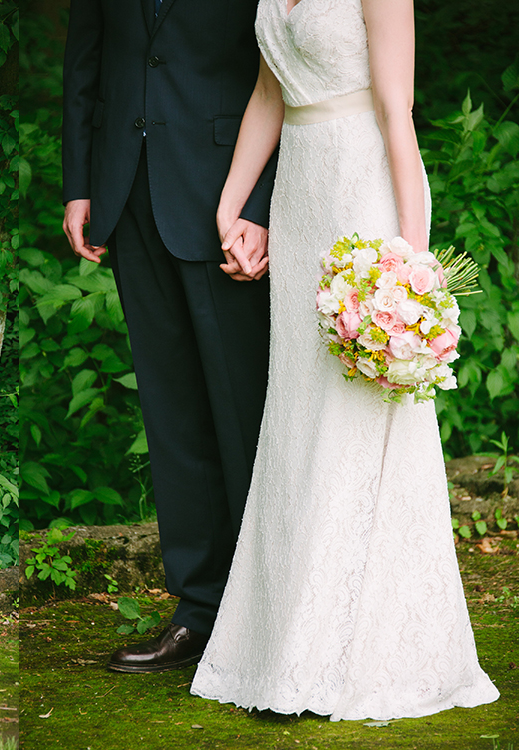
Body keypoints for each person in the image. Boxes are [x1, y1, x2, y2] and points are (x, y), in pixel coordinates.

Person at [190, 0, 499, 719]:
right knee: (298, 412)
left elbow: (399, 114)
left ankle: (340, 649)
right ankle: (284, 644)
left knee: (354, 411)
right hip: (300, 197)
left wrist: (408, 265)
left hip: (363, 193)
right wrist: (231, 208)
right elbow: (268, 94)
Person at [62, 0, 277, 671]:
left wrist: (262, 205)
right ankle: (198, 610)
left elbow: (285, 69)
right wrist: (80, 183)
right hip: (127, 195)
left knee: (244, 416)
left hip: (226, 205)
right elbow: (86, 60)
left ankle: (266, 608)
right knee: (174, 419)